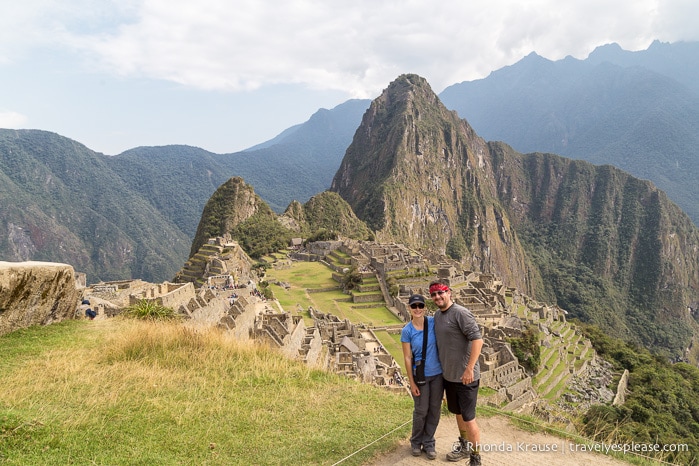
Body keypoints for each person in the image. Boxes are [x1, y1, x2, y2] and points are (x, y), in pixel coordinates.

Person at [430, 280, 483, 466]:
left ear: (449, 293)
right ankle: (464, 445)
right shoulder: (437, 316)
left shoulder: (460, 313)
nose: (438, 297)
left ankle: (475, 459)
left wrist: (469, 368)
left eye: (441, 293)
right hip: (449, 377)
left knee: (469, 419)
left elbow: (477, 339)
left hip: (466, 378)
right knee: (458, 414)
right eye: (434, 295)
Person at [400, 293, 443, 460]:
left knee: (434, 410)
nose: (417, 309)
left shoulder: (433, 323)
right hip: (421, 376)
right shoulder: (407, 331)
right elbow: (407, 357)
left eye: (420, 306)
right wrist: (411, 382)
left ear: (424, 307)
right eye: (414, 306)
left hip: (438, 375)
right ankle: (416, 441)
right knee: (421, 410)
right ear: (409, 308)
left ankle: (429, 441)